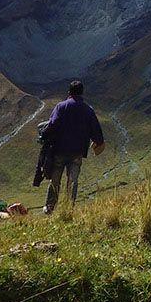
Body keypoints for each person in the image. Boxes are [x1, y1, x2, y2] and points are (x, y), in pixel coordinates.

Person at [42, 80, 105, 214]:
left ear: (69, 92)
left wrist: (44, 136)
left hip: (59, 150)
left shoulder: (61, 106)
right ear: (82, 93)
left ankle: (49, 207)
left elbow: (52, 124)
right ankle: (69, 208)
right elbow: (95, 130)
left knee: (55, 180)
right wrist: (98, 142)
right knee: (73, 181)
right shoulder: (88, 110)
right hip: (77, 152)